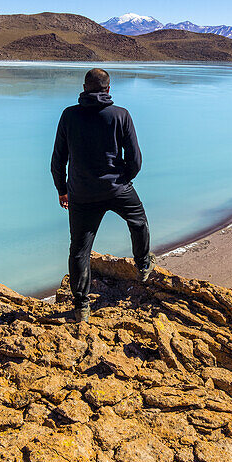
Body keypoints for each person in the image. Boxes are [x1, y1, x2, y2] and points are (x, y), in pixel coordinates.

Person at [51, 68, 152, 322]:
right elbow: (136, 160)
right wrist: (122, 181)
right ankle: (142, 266)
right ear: (108, 89)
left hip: (81, 194)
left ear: (84, 88)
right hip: (117, 189)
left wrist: (62, 189)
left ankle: (81, 306)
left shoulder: (68, 115)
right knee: (138, 222)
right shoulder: (121, 115)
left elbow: (57, 160)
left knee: (79, 250)